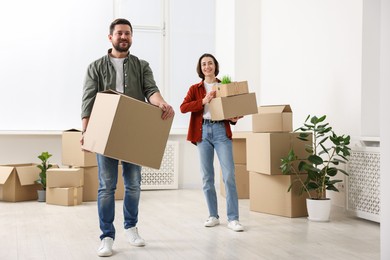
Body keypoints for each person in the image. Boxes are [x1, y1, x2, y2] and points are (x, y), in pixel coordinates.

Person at [80, 18, 174, 257]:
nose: (124, 37)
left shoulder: (142, 65)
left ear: (132, 37)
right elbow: (88, 102)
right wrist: (86, 133)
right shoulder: (95, 67)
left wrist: (161, 102)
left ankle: (131, 227)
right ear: (110, 37)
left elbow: (150, 90)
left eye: (128, 34)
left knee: (133, 185)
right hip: (106, 132)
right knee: (106, 187)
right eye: (120, 33)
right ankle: (107, 236)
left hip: (133, 131)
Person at [180, 53, 244, 232]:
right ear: (200, 69)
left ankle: (233, 219)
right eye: (203, 64)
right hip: (203, 133)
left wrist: (235, 117)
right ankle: (213, 216)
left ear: (215, 66)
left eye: (210, 63)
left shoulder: (225, 86)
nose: (207, 67)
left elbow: (233, 112)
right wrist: (203, 101)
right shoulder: (196, 88)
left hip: (221, 131)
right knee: (207, 177)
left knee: (229, 175)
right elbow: (184, 107)